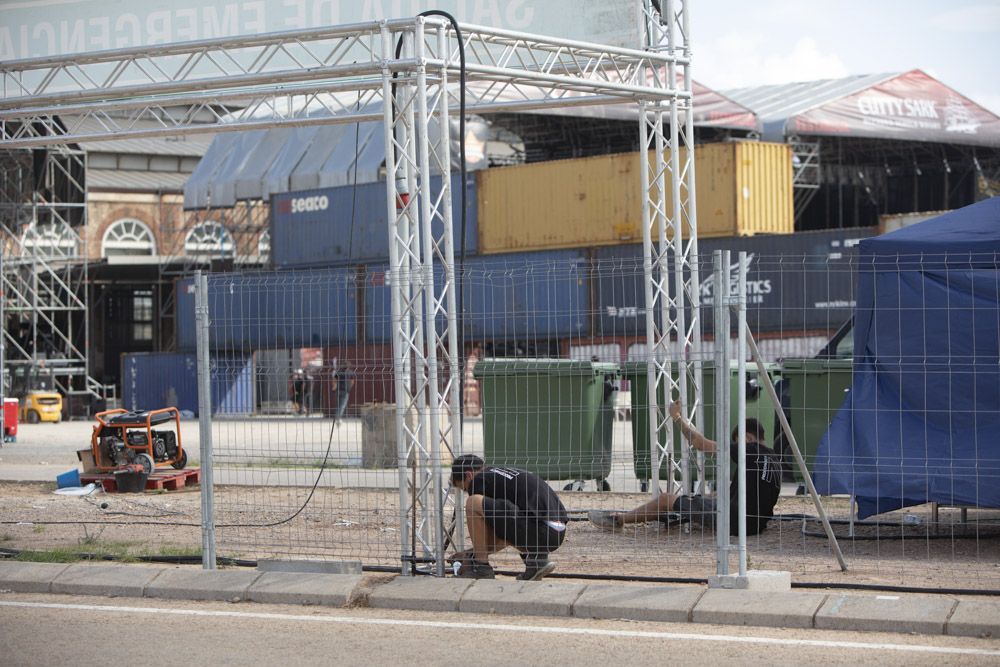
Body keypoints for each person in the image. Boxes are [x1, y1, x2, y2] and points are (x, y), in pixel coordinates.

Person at [590, 400, 782, 535]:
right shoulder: (773, 459)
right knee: (702, 500)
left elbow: (700, 443)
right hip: (755, 524)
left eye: (736, 443)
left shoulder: (748, 450)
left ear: (747, 438)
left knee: (666, 499)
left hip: (734, 522)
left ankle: (617, 520)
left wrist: (677, 417)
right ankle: (678, 512)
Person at [449, 454, 568, 581]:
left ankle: (481, 568)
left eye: (465, 487)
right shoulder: (498, 475)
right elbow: (504, 534)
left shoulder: (479, 479)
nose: (468, 490)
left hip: (540, 529)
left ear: (469, 475)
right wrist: (470, 554)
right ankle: (536, 562)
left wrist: (474, 557)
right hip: (556, 533)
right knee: (505, 520)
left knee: (473, 503)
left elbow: (490, 534)